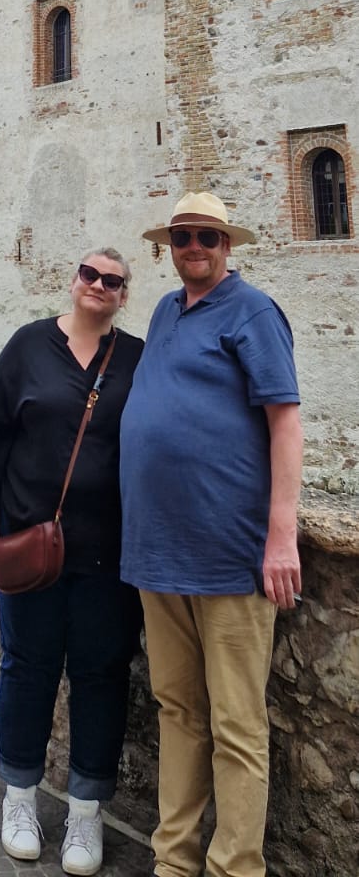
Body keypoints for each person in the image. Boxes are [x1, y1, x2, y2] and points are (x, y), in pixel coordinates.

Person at [120, 192, 303, 877]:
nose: (193, 246)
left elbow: (284, 422)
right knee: (177, 710)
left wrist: (280, 537)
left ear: (227, 245)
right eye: (181, 236)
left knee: (236, 726)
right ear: (168, 245)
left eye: (206, 236)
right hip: (158, 551)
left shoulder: (252, 311)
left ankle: (235, 869)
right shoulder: (167, 310)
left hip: (229, 552)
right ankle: (173, 860)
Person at [0, 249, 144, 875]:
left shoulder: (137, 359)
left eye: (112, 281)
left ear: (124, 294)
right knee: (27, 668)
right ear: (73, 282)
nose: (98, 286)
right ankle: (20, 799)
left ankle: (86, 814)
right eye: (90, 275)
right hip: (29, 546)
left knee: (101, 676)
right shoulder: (28, 347)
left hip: (110, 556)